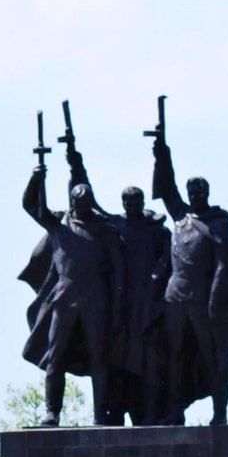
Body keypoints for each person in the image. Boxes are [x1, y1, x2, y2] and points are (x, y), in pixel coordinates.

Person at [63, 142, 172, 424]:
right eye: (127, 202)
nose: (131, 206)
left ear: (143, 202)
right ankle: (113, 412)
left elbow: (167, 259)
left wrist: (157, 279)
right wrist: (76, 167)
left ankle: (149, 414)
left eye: (136, 202)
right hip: (118, 307)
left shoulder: (157, 231)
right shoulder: (114, 226)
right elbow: (87, 201)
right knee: (115, 362)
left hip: (147, 306)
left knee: (147, 362)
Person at [18, 158, 125, 426]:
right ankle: (52, 411)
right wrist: (36, 179)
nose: (81, 208)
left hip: (96, 303)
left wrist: (117, 306)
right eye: (77, 204)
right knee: (56, 356)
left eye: (86, 204)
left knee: (99, 358)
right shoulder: (59, 224)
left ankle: (101, 414)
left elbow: (118, 271)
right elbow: (31, 206)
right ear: (72, 203)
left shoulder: (104, 231)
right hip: (64, 301)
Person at [152, 136, 228, 425]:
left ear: (207, 192)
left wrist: (215, 301)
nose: (196, 194)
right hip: (175, 298)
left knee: (212, 356)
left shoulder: (218, 223)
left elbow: (226, 265)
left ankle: (220, 412)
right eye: (192, 190)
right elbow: (167, 189)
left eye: (200, 189)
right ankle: (175, 410)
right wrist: (161, 154)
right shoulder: (180, 217)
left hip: (203, 301)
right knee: (175, 356)